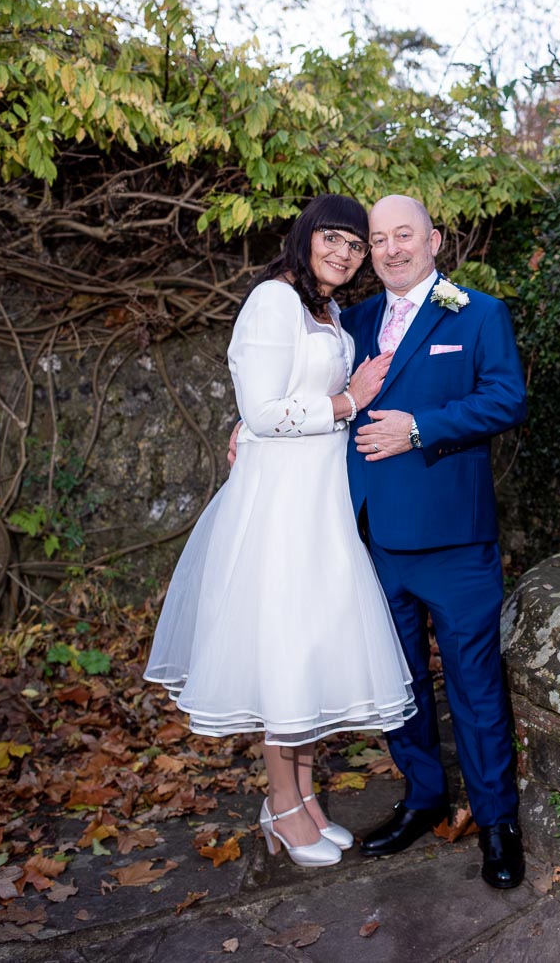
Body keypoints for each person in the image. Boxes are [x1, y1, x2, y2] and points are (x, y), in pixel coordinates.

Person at [146, 194, 415, 870]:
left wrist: (342, 403)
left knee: (310, 652)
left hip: (319, 500)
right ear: (305, 237)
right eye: (334, 238)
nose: (345, 253)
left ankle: (300, 796)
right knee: (285, 656)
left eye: (356, 245)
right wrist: (350, 399)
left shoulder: (323, 309)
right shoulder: (272, 300)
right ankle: (282, 804)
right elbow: (262, 412)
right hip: (281, 508)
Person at [347, 195, 528, 890]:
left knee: (476, 688)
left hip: (455, 540)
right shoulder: (354, 320)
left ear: (434, 240)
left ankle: (497, 821)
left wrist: (418, 427)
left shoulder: (477, 313)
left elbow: (506, 399)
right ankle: (422, 798)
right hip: (371, 541)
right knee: (397, 687)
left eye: (404, 235)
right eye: (378, 238)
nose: (391, 249)